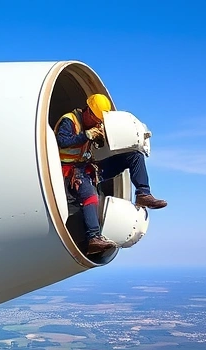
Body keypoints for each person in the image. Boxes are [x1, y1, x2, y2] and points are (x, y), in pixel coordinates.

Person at [56, 93, 168, 254]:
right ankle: (93, 238)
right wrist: (87, 135)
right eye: (95, 118)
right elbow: (62, 141)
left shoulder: (94, 125)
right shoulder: (70, 120)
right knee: (90, 195)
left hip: (88, 169)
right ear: (87, 111)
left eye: (99, 120)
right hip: (70, 172)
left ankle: (143, 193)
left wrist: (100, 138)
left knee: (134, 156)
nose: (96, 122)